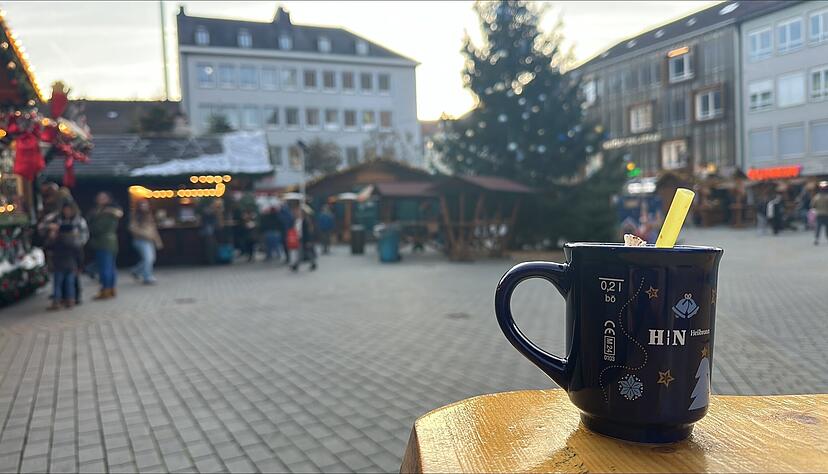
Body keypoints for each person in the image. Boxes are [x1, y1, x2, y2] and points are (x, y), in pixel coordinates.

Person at [44, 202, 88, 310]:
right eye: (65, 209)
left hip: (66, 261)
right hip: (66, 261)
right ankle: (67, 300)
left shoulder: (78, 221)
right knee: (66, 282)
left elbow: (84, 236)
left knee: (66, 282)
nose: (67, 212)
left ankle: (66, 300)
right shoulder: (58, 220)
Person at [87, 192, 123, 299]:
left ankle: (106, 289)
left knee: (105, 268)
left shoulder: (107, 213)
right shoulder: (103, 211)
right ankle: (111, 288)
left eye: (103, 198)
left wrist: (91, 227)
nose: (100, 200)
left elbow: (98, 228)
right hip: (110, 242)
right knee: (110, 267)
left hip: (103, 242)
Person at [129, 200, 163, 284]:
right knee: (148, 259)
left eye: (146, 205)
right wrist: (145, 234)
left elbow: (154, 229)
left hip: (150, 240)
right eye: (142, 205)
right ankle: (147, 277)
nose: (144, 207)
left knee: (151, 259)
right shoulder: (135, 216)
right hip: (140, 240)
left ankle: (136, 271)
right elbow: (132, 228)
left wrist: (158, 241)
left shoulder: (149, 215)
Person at [290, 206, 317, 272]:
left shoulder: (305, 221)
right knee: (301, 252)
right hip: (298, 238)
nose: (297, 213)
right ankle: (297, 265)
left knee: (306, 252)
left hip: (304, 239)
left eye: (299, 212)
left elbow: (308, 232)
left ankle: (296, 265)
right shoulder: (296, 220)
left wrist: (308, 241)